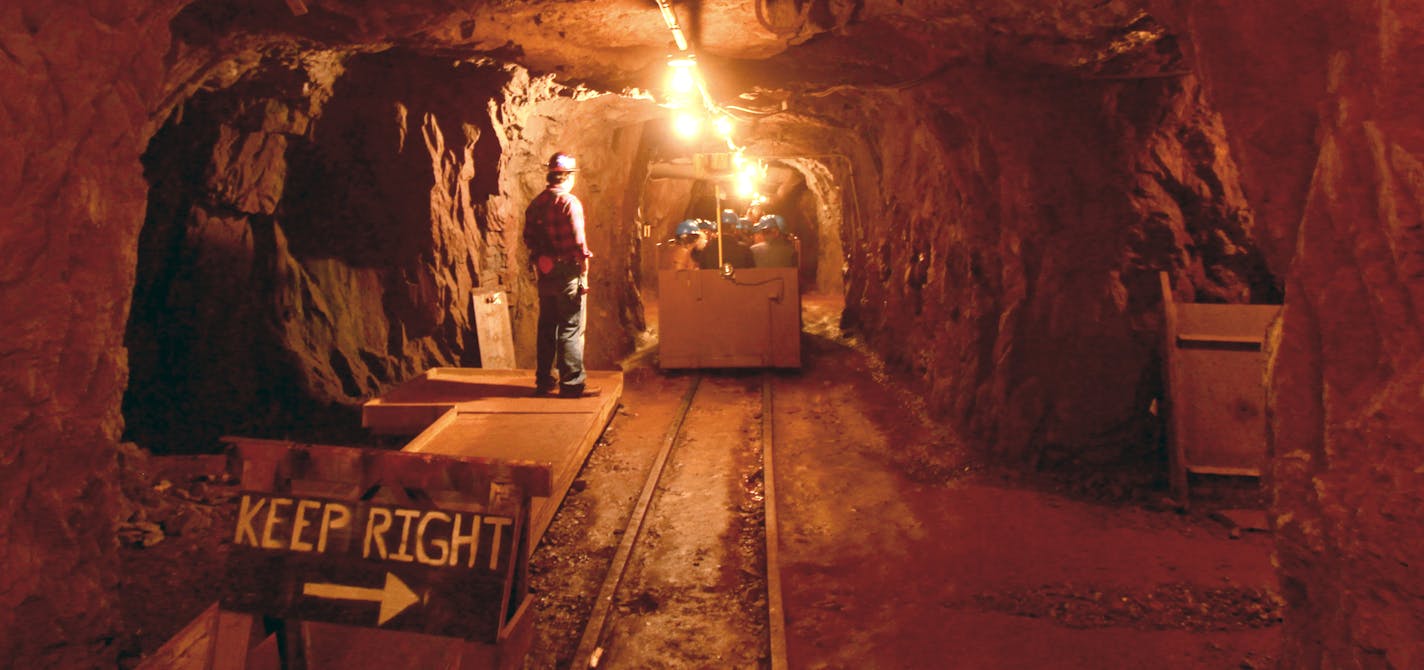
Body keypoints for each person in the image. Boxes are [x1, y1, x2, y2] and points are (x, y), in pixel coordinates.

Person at [523, 152, 599, 398]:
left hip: (545, 271)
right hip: (567, 270)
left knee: (547, 326)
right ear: (567, 177)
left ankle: (544, 381)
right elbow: (578, 242)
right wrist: (584, 272)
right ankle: (572, 384)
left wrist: (540, 259)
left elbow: (528, 238)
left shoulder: (536, 203)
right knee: (570, 327)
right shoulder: (569, 202)